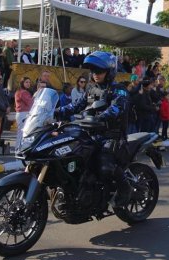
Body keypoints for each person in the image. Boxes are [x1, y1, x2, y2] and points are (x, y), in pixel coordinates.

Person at [55, 50, 132, 206]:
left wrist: (101, 116)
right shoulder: (90, 89)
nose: (95, 74)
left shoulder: (119, 89)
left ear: (109, 72)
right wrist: (55, 111)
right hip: (91, 133)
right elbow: (75, 106)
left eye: (100, 71)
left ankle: (125, 189)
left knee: (105, 166)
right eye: (93, 71)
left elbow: (118, 107)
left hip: (111, 135)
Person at [14, 77, 34, 149]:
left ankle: (20, 149)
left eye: (29, 82)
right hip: (23, 114)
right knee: (23, 133)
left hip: (22, 113)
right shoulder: (23, 92)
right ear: (22, 83)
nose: (28, 84)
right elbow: (31, 103)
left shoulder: (20, 91)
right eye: (26, 82)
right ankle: (18, 149)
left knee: (22, 132)